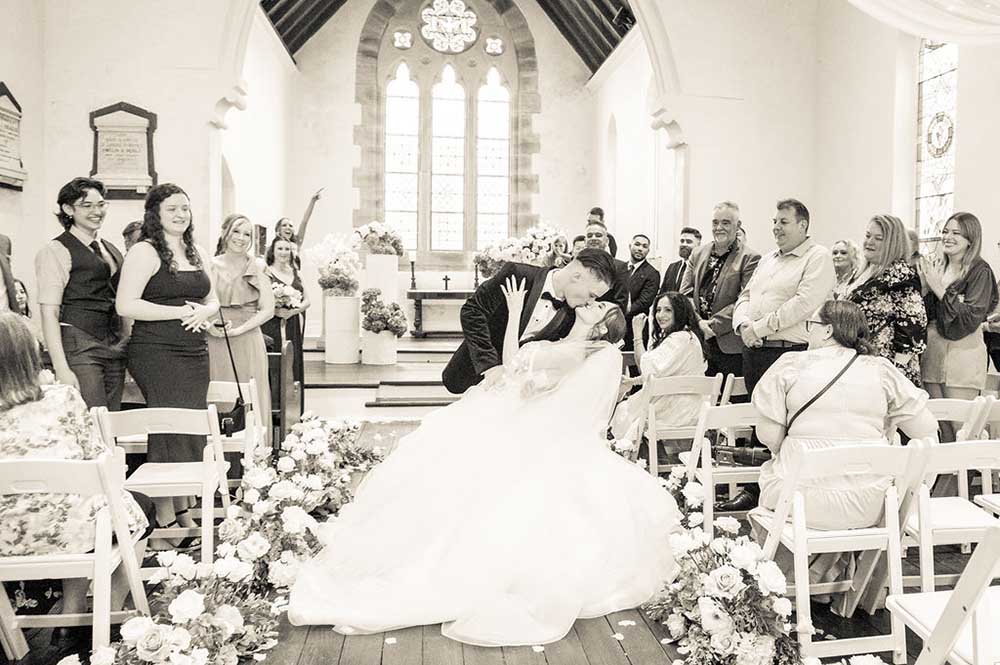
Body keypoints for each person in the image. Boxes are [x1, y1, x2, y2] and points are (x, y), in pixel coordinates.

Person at [288, 291, 681, 645]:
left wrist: (518, 327)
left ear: (600, 327)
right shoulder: (569, 344)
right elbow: (519, 369)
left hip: (525, 429)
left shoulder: (574, 353)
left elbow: (515, 370)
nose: (593, 301)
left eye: (600, 306)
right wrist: (515, 319)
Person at [0, 313, 156, 654]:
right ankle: (107, 610)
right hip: (72, 529)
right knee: (131, 507)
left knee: (79, 508)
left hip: (7, 539)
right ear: (28, 356)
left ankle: (64, 618)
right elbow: (99, 460)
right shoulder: (61, 398)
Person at [116, 183, 219, 538]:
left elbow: (213, 299)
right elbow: (126, 305)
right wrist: (178, 312)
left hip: (195, 351)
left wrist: (205, 311)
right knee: (168, 429)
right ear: (155, 214)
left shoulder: (197, 250)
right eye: (172, 208)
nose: (180, 214)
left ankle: (183, 508)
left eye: (185, 208)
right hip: (157, 351)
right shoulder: (144, 251)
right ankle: (163, 517)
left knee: (188, 429)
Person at [720, 198, 836, 512]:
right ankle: (754, 490)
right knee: (759, 424)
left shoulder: (817, 257)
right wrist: (743, 324)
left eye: (783, 222)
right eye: (774, 222)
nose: (776, 228)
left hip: (789, 353)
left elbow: (803, 304)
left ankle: (784, 492)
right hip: (756, 351)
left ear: (802, 225)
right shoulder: (768, 259)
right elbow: (745, 295)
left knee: (784, 428)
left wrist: (760, 327)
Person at [442, 248, 617, 394]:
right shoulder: (518, 275)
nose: (591, 302)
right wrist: (489, 367)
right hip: (473, 373)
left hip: (517, 393)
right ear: (577, 276)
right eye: (592, 295)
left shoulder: (573, 315)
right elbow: (473, 311)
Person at [34, 177, 128, 409]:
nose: (97, 212)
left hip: (114, 345)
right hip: (79, 345)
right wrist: (61, 368)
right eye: (87, 206)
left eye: (101, 204)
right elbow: (49, 313)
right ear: (68, 209)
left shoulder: (110, 248)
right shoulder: (55, 250)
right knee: (91, 416)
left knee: (112, 419)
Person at [918, 212, 999, 441]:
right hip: (933, 353)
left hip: (963, 355)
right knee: (937, 427)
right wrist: (925, 288)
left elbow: (970, 318)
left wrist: (939, 289)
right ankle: (942, 464)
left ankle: (965, 464)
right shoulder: (937, 267)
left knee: (962, 427)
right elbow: (925, 314)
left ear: (970, 240)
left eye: (956, 233)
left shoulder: (980, 271)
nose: (948, 237)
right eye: (945, 231)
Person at [208, 215, 274, 443]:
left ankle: (255, 454)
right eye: (236, 231)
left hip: (248, 339)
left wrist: (240, 330)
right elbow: (201, 303)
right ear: (225, 232)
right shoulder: (209, 265)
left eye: (247, 234)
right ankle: (217, 452)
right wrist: (209, 327)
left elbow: (268, 310)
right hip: (215, 338)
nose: (241, 238)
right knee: (217, 393)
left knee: (251, 393)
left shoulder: (257, 266)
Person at [612, 292, 707, 442]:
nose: (661, 315)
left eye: (668, 310)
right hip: (688, 405)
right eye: (658, 310)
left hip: (677, 410)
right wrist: (633, 382)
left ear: (680, 312)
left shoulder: (679, 338)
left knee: (623, 410)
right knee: (626, 408)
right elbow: (663, 374)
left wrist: (637, 334)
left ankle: (625, 449)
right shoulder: (689, 336)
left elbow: (646, 366)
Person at [681, 202, 760, 379]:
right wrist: (698, 322)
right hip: (697, 341)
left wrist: (712, 326)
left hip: (729, 345)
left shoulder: (750, 258)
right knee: (698, 394)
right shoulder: (697, 254)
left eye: (725, 223)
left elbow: (745, 300)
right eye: (715, 222)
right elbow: (685, 293)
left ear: (738, 225)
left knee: (728, 394)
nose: (719, 228)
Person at [846, 215, 927, 385]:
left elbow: (914, 325)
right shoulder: (861, 271)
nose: (869, 242)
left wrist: (896, 372)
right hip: (857, 360)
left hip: (886, 367)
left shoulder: (902, 274)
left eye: (878, 238)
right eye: (868, 235)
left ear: (893, 243)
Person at [261, 237, 309, 384]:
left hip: (292, 323)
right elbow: (259, 299)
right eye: (280, 248)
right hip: (271, 322)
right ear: (273, 251)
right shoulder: (266, 272)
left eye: (287, 249)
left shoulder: (296, 273)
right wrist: (274, 310)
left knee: (292, 358)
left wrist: (293, 311)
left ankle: (293, 396)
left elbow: (307, 301)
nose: (283, 252)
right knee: (274, 360)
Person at [623, 233, 660, 353]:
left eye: (644, 246)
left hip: (635, 327)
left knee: (634, 362)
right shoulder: (620, 268)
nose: (640, 248)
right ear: (630, 246)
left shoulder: (652, 273)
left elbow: (644, 302)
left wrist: (620, 312)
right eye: (637, 244)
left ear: (648, 251)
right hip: (614, 326)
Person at [583, 219, 629, 313]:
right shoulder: (577, 265)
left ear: (607, 241)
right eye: (589, 235)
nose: (593, 238)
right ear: (585, 241)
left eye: (598, 235)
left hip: (605, 319)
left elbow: (620, 304)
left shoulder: (620, 267)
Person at [274, 187, 324, 268]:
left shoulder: (296, 242)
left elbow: (304, 222)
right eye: (284, 225)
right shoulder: (272, 247)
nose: (288, 227)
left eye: (290, 226)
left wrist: (312, 201)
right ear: (278, 230)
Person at [659, 227, 702, 294]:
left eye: (689, 242)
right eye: (682, 241)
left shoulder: (701, 268)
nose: (684, 244)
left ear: (698, 245)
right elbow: (663, 292)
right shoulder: (672, 267)